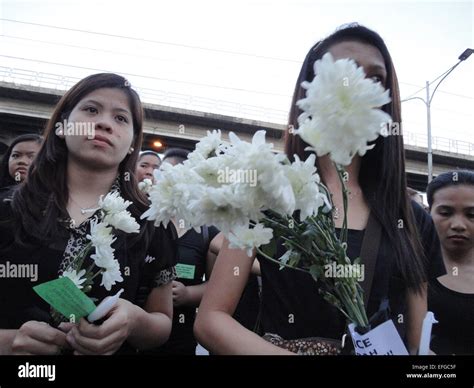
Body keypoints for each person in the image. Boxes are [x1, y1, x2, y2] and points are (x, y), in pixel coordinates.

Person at [194, 23, 445, 355]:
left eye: (375, 78)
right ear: (310, 90)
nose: (358, 85)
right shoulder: (265, 197)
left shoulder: (412, 219)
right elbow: (211, 319)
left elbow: (416, 345)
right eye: (345, 72)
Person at [0, 73, 177, 355]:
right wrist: (8, 342)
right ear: (62, 126)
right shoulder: (8, 209)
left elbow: (163, 322)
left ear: (132, 142)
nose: (105, 123)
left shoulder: (150, 221)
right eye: (91, 110)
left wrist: (134, 321)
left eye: (121, 118)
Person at [144, 147, 223, 355]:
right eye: (164, 173)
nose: (168, 180)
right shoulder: (143, 223)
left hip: (182, 337)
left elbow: (216, 285)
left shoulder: (208, 231)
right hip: (137, 332)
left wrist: (188, 294)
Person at [427, 170, 474, 354]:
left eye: (472, 215)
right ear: (428, 212)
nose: (458, 225)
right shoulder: (408, 269)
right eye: (446, 213)